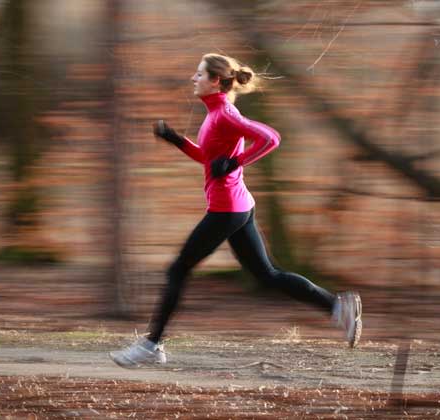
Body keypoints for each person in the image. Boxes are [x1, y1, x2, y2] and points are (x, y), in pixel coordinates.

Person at [109, 53, 362, 367]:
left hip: (226, 209)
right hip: (239, 205)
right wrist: (176, 140)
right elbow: (209, 158)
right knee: (267, 275)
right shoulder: (216, 114)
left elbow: (271, 137)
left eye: (199, 74)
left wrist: (235, 162)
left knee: (178, 270)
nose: (193, 78)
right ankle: (338, 306)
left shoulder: (225, 114)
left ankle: (151, 345)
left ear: (215, 81)